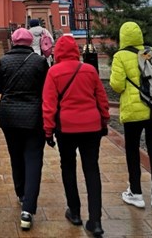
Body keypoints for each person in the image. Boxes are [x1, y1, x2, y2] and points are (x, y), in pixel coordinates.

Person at [42, 34, 110, 237]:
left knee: (68, 167)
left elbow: (49, 105)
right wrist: (104, 121)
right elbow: (102, 100)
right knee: (92, 169)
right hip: (92, 127)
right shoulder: (89, 70)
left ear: (58, 52)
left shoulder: (54, 72)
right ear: (76, 51)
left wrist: (48, 131)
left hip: (66, 129)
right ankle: (95, 221)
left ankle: (75, 212)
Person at [0, 27, 49, 231]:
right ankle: (28, 209)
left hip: (9, 115)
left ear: (13, 41)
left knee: (15, 155)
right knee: (34, 159)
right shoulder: (39, 61)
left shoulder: (4, 61)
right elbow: (46, 87)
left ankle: (21, 193)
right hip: (34, 116)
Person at [110, 21, 152, 215]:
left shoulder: (121, 56)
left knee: (133, 151)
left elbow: (116, 86)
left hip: (134, 113)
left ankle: (136, 193)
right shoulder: (149, 52)